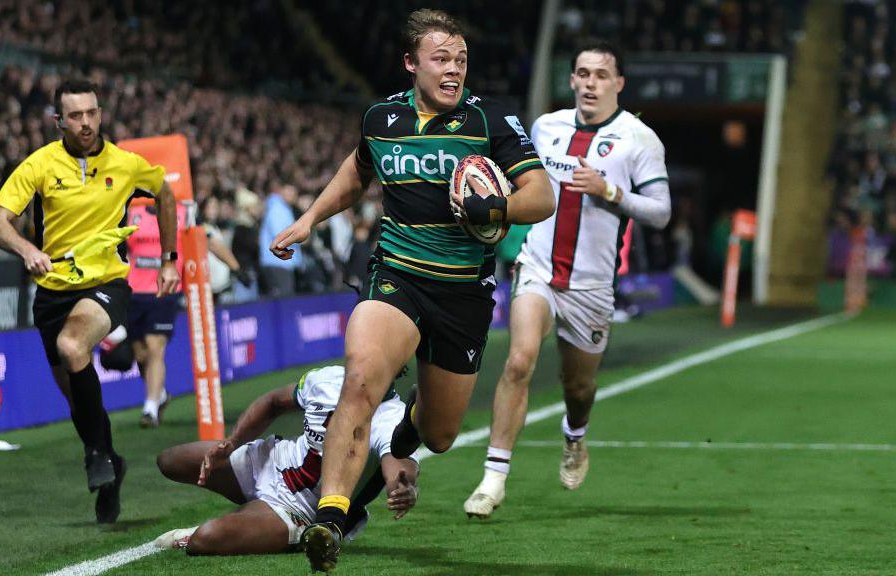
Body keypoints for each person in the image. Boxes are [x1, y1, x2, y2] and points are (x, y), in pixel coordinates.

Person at [270, 9, 554, 571]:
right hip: (396, 276)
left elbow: (542, 196)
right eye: (441, 59)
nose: (454, 70)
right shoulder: (381, 118)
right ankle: (330, 517)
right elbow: (358, 171)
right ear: (411, 63)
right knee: (360, 376)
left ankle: (401, 443)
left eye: (461, 60)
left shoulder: (491, 119)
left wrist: (495, 206)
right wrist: (308, 220)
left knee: (441, 434)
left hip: (463, 294)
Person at [462, 42, 672, 518]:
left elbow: (661, 212)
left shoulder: (640, 140)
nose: (591, 82)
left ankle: (575, 435)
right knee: (518, 361)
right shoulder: (546, 127)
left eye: (602, 74)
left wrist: (610, 190)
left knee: (578, 389)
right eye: (583, 73)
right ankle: (493, 480)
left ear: (619, 84)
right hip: (537, 268)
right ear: (572, 81)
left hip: (592, 286)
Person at [0, 79, 179, 523]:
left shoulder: (127, 164)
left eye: (91, 113)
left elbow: (165, 194)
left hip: (105, 283)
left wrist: (169, 259)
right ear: (59, 122)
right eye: (75, 115)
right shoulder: (40, 165)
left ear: (101, 113)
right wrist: (28, 250)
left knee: (73, 347)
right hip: (52, 292)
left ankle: (97, 456)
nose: (86, 122)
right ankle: (109, 459)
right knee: (76, 397)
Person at [154, 365, 419, 555]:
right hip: (271, 461)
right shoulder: (327, 378)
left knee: (205, 539)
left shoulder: (392, 417)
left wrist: (402, 488)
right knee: (169, 461)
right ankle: (251, 519)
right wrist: (232, 443)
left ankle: (287, 531)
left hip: (299, 508)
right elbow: (273, 402)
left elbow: (397, 469)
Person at [123, 202, 250, 428]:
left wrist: (236, 267)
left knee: (155, 347)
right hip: (134, 292)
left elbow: (209, 240)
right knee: (141, 354)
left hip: (166, 290)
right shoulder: (133, 210)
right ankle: (160, 394)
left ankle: (149, 408)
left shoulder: (184, 211)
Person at [259, 183, 300, 297]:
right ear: (281, 191)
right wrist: (300, 237)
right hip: (278, 262)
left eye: (294, 192)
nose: (292, 195)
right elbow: (280, 235)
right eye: (289, 191)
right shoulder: (277, 209)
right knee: (283, 300)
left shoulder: (283, 208)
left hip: (281, 261)